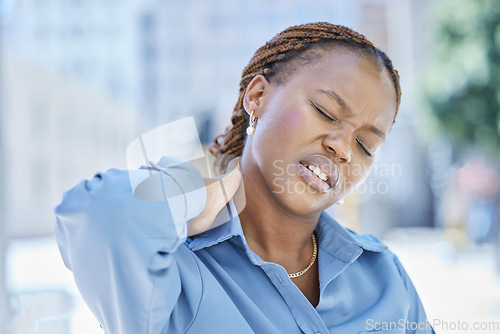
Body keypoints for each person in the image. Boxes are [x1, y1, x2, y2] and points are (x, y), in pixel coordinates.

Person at [54, 22, 436, 334]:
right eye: (325, 111)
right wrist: (190, 193)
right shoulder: (178, 272)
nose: (343, 148)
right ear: (257, 97)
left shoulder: (386, 278)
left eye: (366, 145)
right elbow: (93, 215)